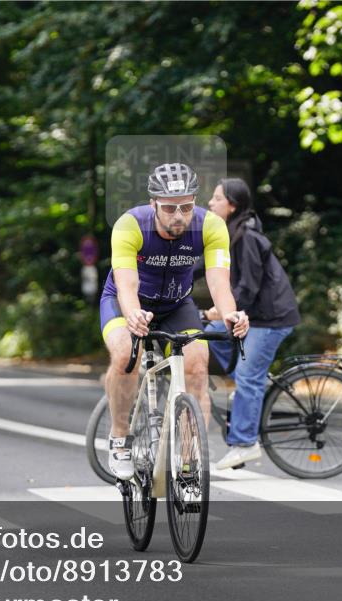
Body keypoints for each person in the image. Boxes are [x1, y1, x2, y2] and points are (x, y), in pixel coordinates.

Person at [101, 163, 249, 481]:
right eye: (169, 208)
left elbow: (219, 282)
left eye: (186, 206)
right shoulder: (130, 225)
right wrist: (133, 314)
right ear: (153, 203)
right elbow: (126, 285)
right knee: (126, 355)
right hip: (126, 302)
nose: (179, 215)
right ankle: (120, 438)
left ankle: (188, 458)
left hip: (177, 305)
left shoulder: (211, 226)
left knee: (197, 364)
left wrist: (230, 314)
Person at [204, 178, 300, 470]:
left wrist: (223, 310)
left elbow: (248, 287)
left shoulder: (245, 237)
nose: (210, 203)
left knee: (247, 376)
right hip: (255, 316)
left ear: (232, 206)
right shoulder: (228, 233)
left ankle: (245, 443)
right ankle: (250, 387)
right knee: (209, 335)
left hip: (271, 319)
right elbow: (202, 267)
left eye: (217, 198)